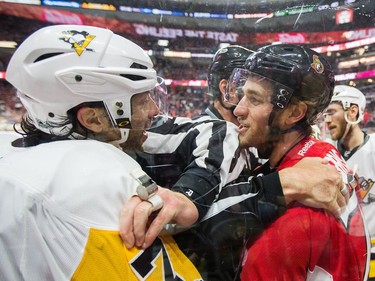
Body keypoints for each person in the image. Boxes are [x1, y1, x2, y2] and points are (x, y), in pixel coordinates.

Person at [0, 24, 204, 280]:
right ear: (93, 119)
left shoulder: (10, 150)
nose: (154, 110)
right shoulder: (97, 170)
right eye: (141, 101)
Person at [220, 44, 370, 280]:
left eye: (254, 99)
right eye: (242, 96)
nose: (238, 109)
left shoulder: (291, 209)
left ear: (293, 113)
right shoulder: (321, 153)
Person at [324, 85, 375, 280]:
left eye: (331, 112)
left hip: (369, 254)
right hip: (335, 255)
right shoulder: (325, 151)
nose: (326, 120)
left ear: (352, 111)